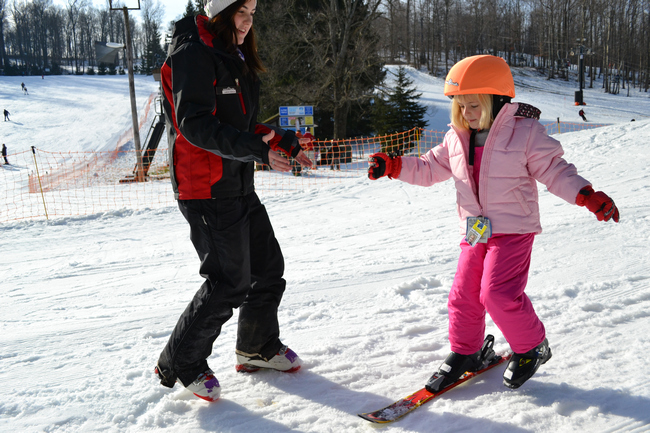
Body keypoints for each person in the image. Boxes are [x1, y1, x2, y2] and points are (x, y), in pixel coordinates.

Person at [368, 55, 619, 391]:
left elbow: (555, 170)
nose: (468, 114)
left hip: (513, 230)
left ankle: (532, 346)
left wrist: (586, 195)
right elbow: (429, 168)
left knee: (497, 293)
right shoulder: (456, 139)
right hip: (476, 229)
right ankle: (466, 351)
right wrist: (394, 166)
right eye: (461, 107)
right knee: (463, 294)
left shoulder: (525, 133)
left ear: (498, 101)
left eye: (474, 106)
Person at [154, 0, 313, 403]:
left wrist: (282, 141)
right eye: (242, 12)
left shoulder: (230, 55)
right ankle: (180, 361)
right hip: (204, 187)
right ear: (222, 13)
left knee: (267, 268)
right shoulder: (193, 52)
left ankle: (257, 347)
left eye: (253, 14)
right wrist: (256, 151)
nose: (248, 22)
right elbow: (195, 124)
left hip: (236, 181)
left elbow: (238, 126)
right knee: (229, 281)